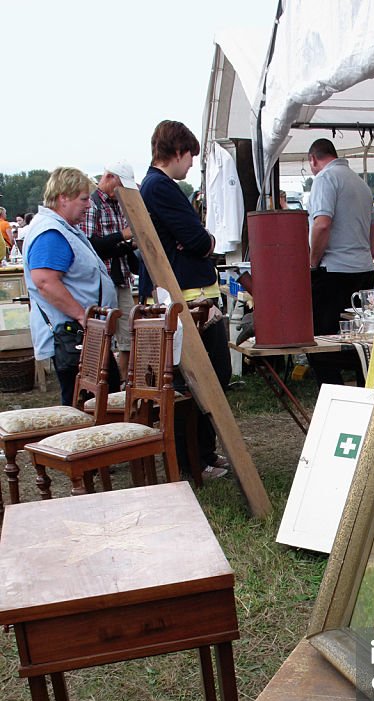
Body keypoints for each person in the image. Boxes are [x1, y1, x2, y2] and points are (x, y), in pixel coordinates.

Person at [140, 120, 230, 481]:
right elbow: (196, 240)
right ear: (177, 152)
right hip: (190, 300)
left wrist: (196, 239)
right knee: (201, 381)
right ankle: (195, 459)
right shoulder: (160, 187)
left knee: (204, 381)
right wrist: (206, 241)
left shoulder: (156, 186)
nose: (191, 163)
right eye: (190, 155)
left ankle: (201, 454)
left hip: (190, 297)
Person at [23, 167, 117, 405]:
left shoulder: (62, 228)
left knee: (99, 401)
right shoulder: (51, 232)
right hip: (74, 336)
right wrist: (82, 315)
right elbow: (45, 281)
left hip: (84, 335)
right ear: (63, 197)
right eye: (83, 199)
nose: (88, 205)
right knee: (84, 407)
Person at [306, 137, 374, 385]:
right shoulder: (361, 185)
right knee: (361, 342)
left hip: (333, 271)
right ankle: (363, 391)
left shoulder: (325, 179)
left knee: (319, 342)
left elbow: (322, 223)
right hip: (363, 270)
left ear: (313, 159)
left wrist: (312, 262)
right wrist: (363, 257)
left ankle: (334, 394)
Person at [80, 160, 139, 382]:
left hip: (120, 277)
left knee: (127, 334)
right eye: (121, 184)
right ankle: (100, 382)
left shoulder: (115, 205)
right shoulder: (92, 205)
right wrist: (122, 237)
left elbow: (111, 247)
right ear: (110, 178)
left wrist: (127, 245)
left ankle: (122, 382)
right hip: (101, 280)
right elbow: (90, 245)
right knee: (102, 334)